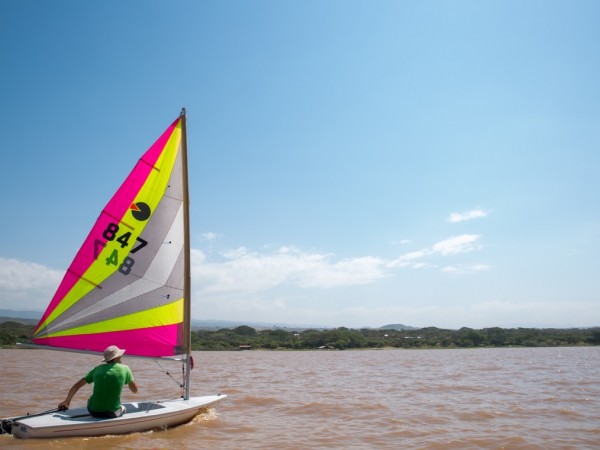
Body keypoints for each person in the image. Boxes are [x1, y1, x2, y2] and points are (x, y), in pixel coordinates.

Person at [58, 345, 138, 418]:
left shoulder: (97, 369)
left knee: (93, 394)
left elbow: (77, 386)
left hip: (93, 411)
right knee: (124, 408)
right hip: (111, 413)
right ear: (117, 357)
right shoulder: (125, 368)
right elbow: (135, 390)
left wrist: (66, 401)